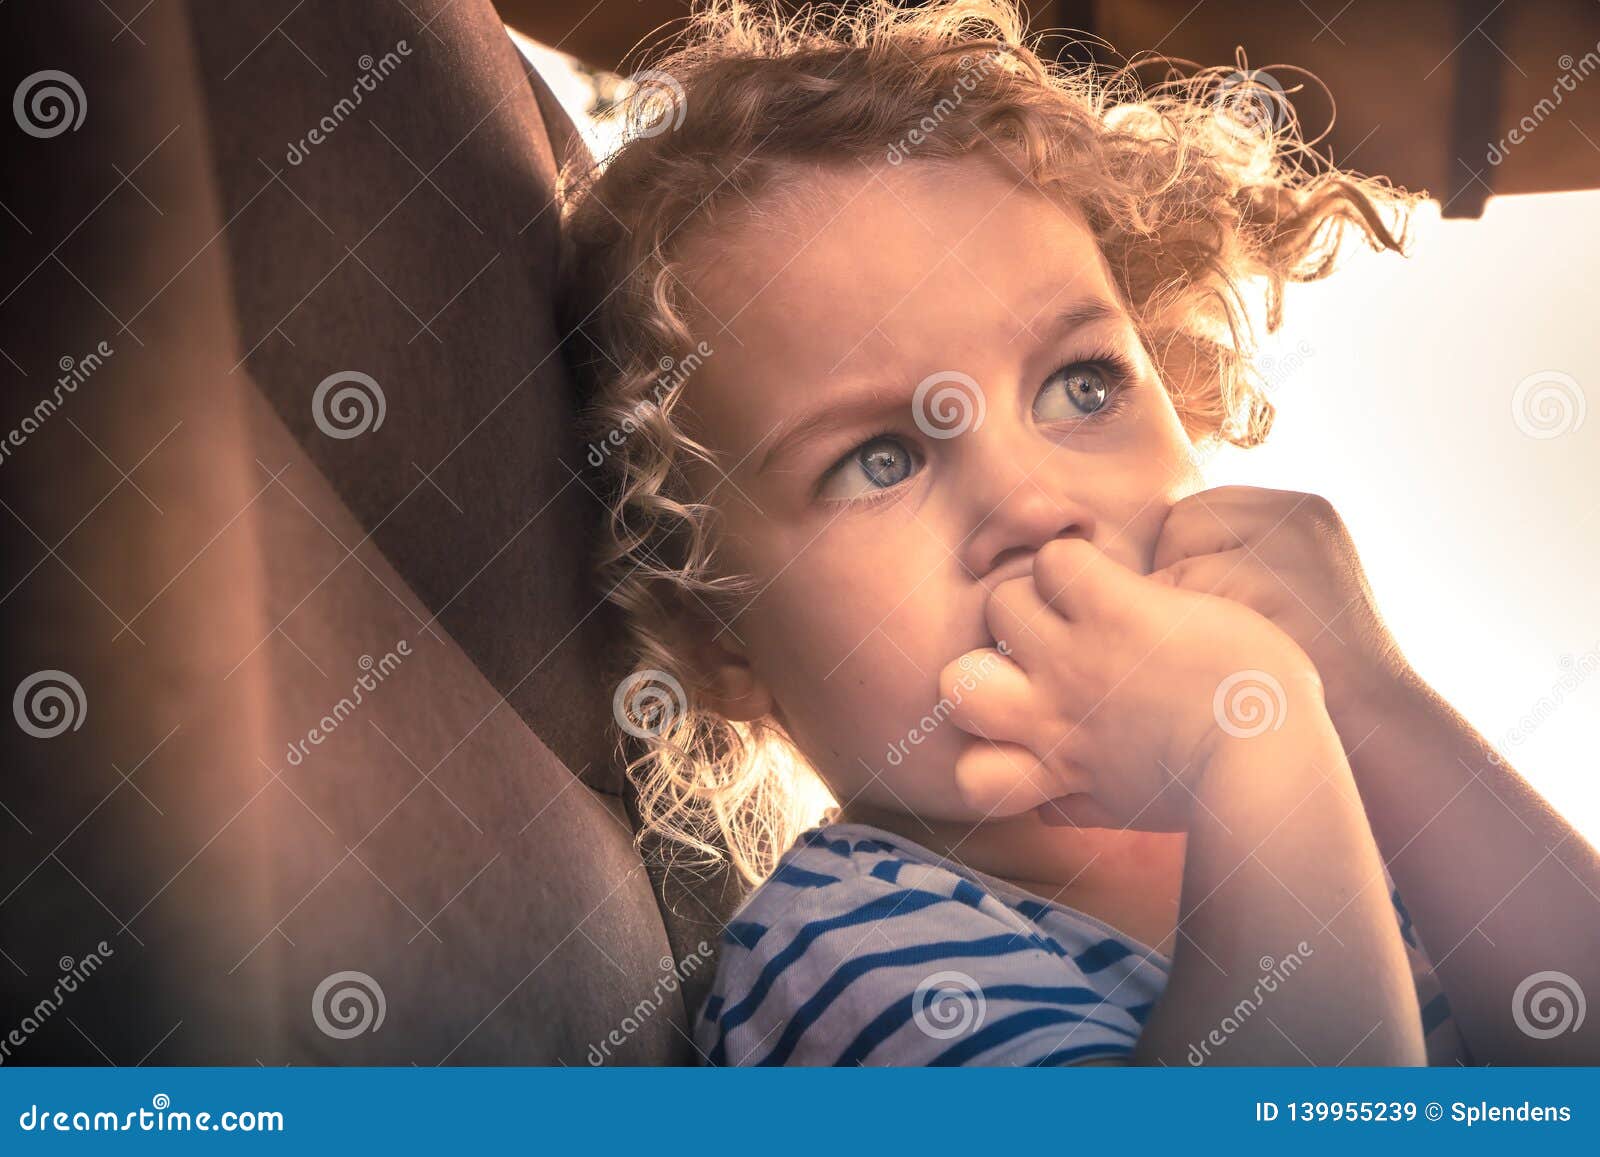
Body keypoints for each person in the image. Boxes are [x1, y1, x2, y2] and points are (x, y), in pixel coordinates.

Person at [556, 0, 1600, 1065]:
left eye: (1080, 384)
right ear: (718, 639)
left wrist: (1381, 704)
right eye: (880, 458)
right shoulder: (849, 952)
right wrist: (1258, 745)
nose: (1030, 501)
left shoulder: (1367, 824)